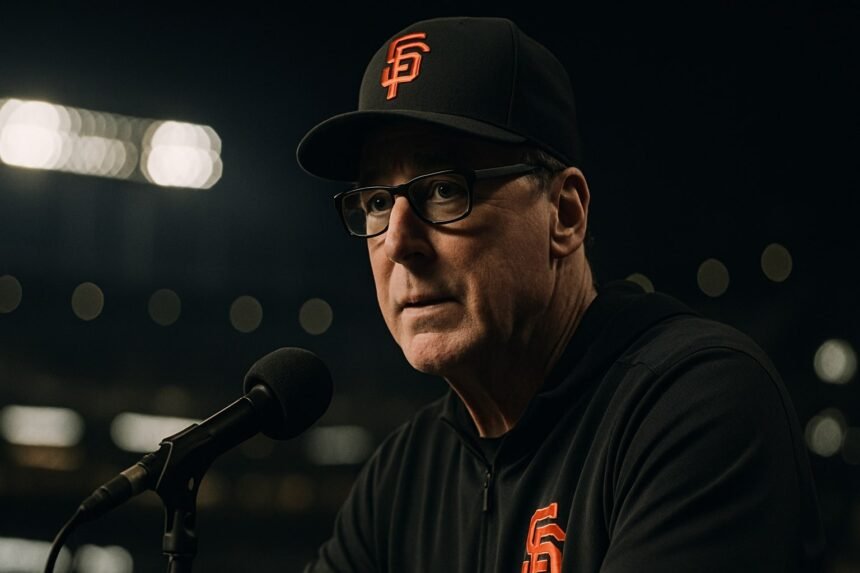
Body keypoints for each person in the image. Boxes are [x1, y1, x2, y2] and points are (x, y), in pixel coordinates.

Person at [294, 15, 826, 572]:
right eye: (378, 202)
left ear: (565, 215)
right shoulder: (402, 475)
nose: (399, 242)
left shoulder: (699, 404)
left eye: (445, 188)